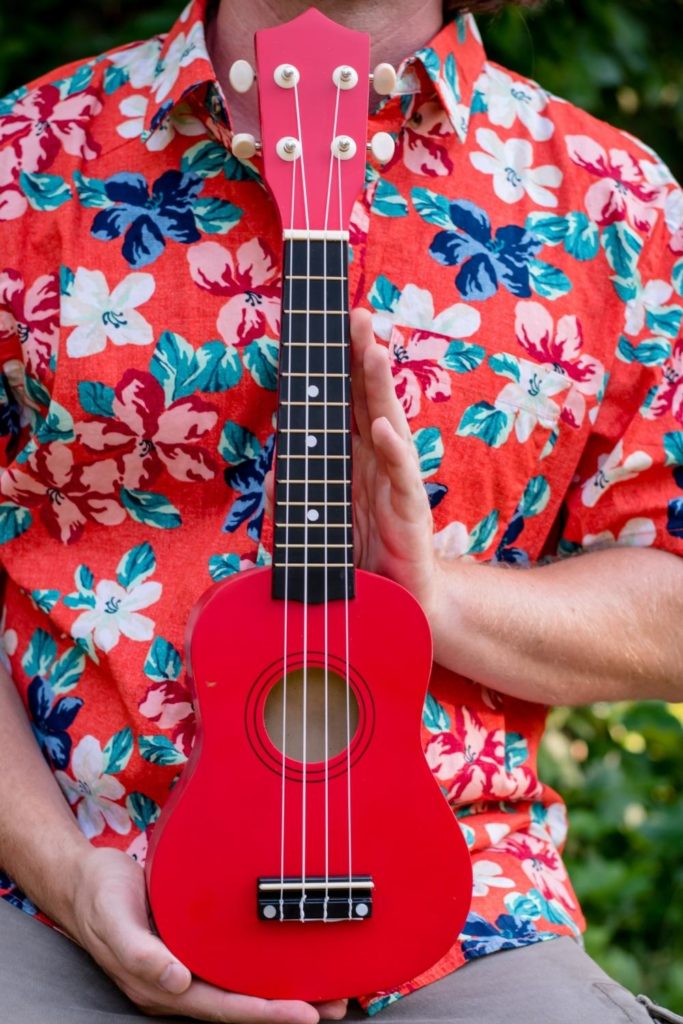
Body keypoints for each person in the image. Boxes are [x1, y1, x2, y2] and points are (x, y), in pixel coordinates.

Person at [0, 0, 681, 1021]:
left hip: (460, 918)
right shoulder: (27, 160)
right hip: (60, 890)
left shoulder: (612, 206)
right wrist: (65, 874)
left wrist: (431, 596)